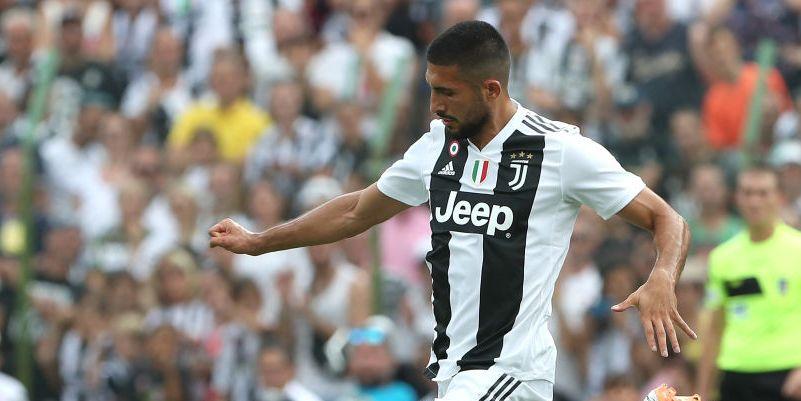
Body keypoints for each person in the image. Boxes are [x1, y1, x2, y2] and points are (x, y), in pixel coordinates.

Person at [210, 21, 696, 401]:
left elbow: (667, 219)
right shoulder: (438, 145)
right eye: (431, 89)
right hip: (453, 369)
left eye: (447, 92)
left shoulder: (559, 151)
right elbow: (356, 210)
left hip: (510, 368)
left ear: (491, 89)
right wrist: (261, 241)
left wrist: (662, 276)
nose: (435, 105)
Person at [697, 166, 801, 401]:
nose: (754, 202)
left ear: (779, 197)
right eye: (747, 193)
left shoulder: (798, 249)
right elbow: (715, 329)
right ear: (736, 198)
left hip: (788, 375)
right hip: (736, 374)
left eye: (763, 193)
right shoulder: (722, 257)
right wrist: (702, 392)